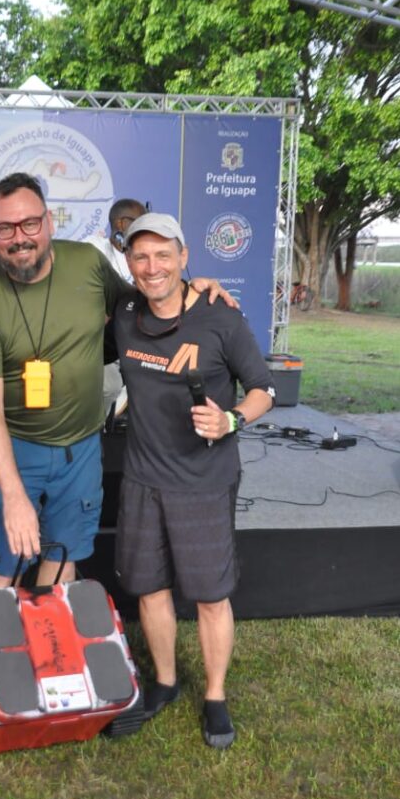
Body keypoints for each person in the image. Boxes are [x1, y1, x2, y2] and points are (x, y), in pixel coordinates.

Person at [0, 172, 237, 589]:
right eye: (4, 227)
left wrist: (189, 288)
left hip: (81, 450)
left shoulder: (87, 265)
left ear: (48, 221)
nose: (19, 237)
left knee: (63, 557)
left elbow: (142, 301)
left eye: (29, 223)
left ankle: (50, 645)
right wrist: (13, 493)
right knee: (6, 566)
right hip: (17, 450)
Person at [111, 213, 275, 749]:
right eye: (140, 256)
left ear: (185, 258)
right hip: (142, 478)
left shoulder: (219, 316)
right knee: (151, 589)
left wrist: (232, 419)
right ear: (129, 263)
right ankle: (164, 682)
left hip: (203, 481)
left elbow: (263, 389)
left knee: (208, 596)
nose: (152, 266)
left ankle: (215, 696)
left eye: (163, 255)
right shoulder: (125, 310)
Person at [88, 198, 147, 416]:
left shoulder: (140, 252)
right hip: (102, 341)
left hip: (137, 335)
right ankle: (99, 434)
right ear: (122, 224)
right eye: (140, 221)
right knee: (110, 387)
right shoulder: (93, 249)